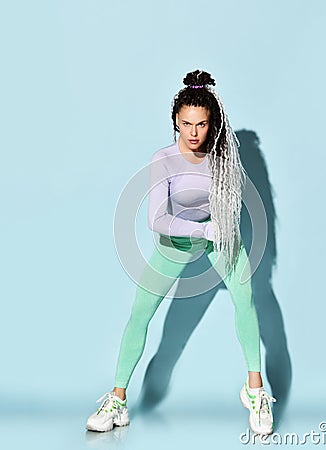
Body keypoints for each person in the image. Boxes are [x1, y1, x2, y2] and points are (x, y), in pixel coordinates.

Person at [85, 69, 276, 435]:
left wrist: (220, 230)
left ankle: (255, 391)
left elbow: (230, 205)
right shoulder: (165, 159)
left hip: (219, 239)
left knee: (247, 298)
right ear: (175, 120)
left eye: (201, 124)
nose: (193, 133)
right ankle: (118, 400)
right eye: (186, 123)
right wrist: (202, 229)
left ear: (212, 124)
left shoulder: (224, 158)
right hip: (176, 242)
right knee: (141, 314)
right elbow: (157, 219)